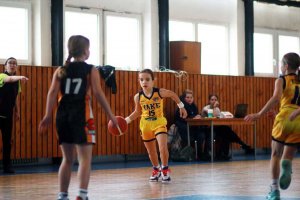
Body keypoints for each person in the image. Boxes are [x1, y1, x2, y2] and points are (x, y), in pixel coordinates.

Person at [38, 35, 118, 200]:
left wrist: (47, 115)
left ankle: (62, 195)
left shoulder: (61, 70)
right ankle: (82, 195)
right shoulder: (91, 70)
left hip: (62, 116)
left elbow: (52, 93)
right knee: (84, 160)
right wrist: (111, 116)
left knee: (67, 159)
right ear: (85, 51)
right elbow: (98, 93)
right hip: (81, 116)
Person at [245, 52, 300, 200]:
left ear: (286, 66)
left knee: (275, 154)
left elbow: (276, 98)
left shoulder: (281, 80)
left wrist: (259, 114)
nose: (281, 67)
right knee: (287, 156)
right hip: (298, 121)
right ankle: (287, 166)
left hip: (284, 118)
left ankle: (274, 190)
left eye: (281, 64)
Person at [124, 69, 187, 183]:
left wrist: (181, 106)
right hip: (145, 125)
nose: (144, 82)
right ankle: (156, 169)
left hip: (159, 123)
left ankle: (165, 169)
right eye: (141, 79)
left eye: (147, 79)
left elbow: (173, 94)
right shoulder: (138, 97)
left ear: (153, 81)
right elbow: (137, 112)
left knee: (162, 147)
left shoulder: (159, 92)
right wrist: (126, 120)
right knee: (151, 152)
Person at [202, 94, 254, 160]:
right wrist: (214, 107)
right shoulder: (206, 108)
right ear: (209, 101)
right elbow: (213, 115)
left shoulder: (217, 109)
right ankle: (242, 144)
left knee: (226, 130)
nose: (214, 101)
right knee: (226, 131)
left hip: (217, 127)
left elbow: (218, 118)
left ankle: (224, 153)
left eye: (215, 100)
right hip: (208, 128)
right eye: (212, 100)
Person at [0, 57, 28, 173]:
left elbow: (15, 97)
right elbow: (9, 79)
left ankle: (7, 166)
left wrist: (17, 111)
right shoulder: (2, 76)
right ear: (5, 66)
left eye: (15, 63)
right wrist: (21, 77)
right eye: (10, 63)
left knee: (7, 142)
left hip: (8, 115)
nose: (12, 65)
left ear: (17, 67)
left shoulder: (17, 82)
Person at [174, 89, 209, 160]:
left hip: (194, 128)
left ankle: (200, 154)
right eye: (187, 97)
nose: (189, 99)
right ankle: (188, 155)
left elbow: (195, 115)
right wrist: (193, 118)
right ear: (184, 98)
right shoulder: (181, 107)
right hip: (184, 128)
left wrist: (199, 116)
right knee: (191, 137)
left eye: (191, 97)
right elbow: (181, 118)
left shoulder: (194, 106)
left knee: (202, 135)